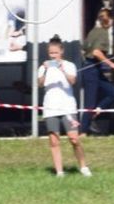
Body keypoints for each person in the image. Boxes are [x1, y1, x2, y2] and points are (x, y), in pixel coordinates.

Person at [37, 36, 90, 177]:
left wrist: (62, 69)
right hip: (50, 107)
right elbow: (40, 84)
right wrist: (46, 70)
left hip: (68, 107)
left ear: (62, 52)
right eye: (51, 53)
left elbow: (72, 81)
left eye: (56, 53)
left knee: (74, 139)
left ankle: (83, 167)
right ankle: (59, 172)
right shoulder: (43, 67)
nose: (53, 56)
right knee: (54, 140)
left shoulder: (69, 65)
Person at [79, 8, 114, 135]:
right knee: (90, 103)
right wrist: (111, 63)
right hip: (91, 69)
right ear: (110, 20)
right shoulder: (103, 33)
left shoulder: (93, 31)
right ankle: (83, 131)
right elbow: (97, 52)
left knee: (112, 92)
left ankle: (93, 116)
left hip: (93, 69)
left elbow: (84, 48)